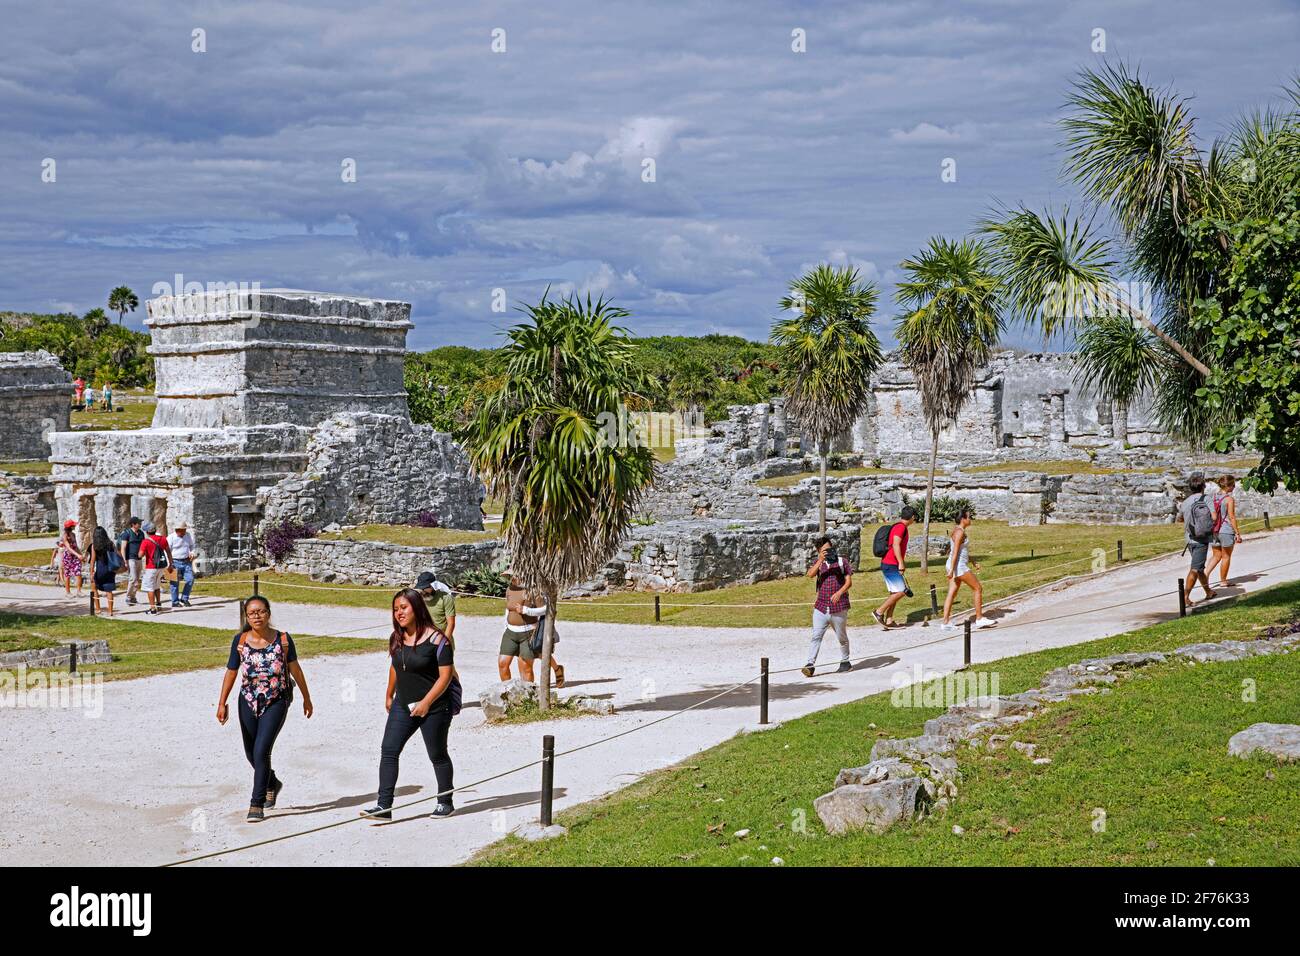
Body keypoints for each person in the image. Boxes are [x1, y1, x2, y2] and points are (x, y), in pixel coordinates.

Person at [362, 588, 460, 821]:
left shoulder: (439, 640)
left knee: (437, 754)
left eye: (403, 607)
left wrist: (427, 702)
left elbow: (446, 676)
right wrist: (389, 694)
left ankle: (445, 802)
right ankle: (384, 807)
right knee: (389, 750)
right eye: (395, 609)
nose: (399, 613)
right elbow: (397, 666)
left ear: (416, 607)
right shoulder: (396, 638)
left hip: (435, 705)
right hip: (403, 704)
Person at [216, 596, 313, 823]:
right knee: (251, 752)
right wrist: (222, 702)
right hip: (247, 700)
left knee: (261, 751)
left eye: (260, 612)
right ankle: (271, 782)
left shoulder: (283, 640)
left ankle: (256, 803)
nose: (256, 616)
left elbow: (295, 670)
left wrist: (307, 698)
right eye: (252, 613)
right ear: (246, 617)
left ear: (268, 613)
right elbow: (231, 671)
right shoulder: (239, 641)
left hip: (275, 700)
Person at [801, 535, 853, 678]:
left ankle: (845, 661)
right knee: (816, 636)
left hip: (839, 607)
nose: (828, 552)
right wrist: (820, 560)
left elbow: (849, 582)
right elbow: (810, 575)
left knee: (841, 636)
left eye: (829, 549)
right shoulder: (819, 564)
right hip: (821, 607)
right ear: (819, 551)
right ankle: (810, 665)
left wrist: (839, 592)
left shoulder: (843, 562)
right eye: (824, 550)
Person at [941, 509, 996, 630]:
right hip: (958, 566)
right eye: (968, 517)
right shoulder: (959, 532)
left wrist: (973, 561)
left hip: (954, 565)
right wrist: (951, 571)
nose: (970, 519)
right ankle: (979, 618)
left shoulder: (957, 531)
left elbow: (961, 551)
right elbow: (955, 552)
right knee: (977, 588)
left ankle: (945, 622)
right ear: (963, 519)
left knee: (952, 593)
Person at [874, 506, 918, 629]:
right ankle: (879, 612)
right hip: (891, 563)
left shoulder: (899, 526)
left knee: (894, 592)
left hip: (889, 563)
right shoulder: (901, 528)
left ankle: (889, 620)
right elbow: (896, 545)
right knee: (901, 591)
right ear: (912, 517)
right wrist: (901, 562)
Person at [1178, 475, 1218, 606]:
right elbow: (1214, 516)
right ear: (1203, 486)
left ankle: (1208, 591)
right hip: (1202, 539)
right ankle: (1185, 597)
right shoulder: (1207, 499)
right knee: (1195, 568)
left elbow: (1180, 519)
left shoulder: (1185, 502)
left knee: (1199, 567)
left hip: (1189, 539)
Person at [500, 576, 547, 682]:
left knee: (525, 667)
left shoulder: (533, 590)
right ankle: (508, 694)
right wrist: (505, 625)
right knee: (502, 664)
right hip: (510, 632)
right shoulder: (510, 589)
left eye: (513, 576)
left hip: (528, 632)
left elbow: (545, 609)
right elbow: (508, 609)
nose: (511, 578)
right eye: (509, 576)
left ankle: (528, 696)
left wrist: (526, 610)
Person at [1205, 474, 1244, 586]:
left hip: (1213, 531)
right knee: (1226, 556)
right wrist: (1237, 533)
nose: (1234, 487)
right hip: (1226, 530)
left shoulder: (1212, 497)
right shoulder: (1229, 499)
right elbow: (1231, 517)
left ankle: (1205, 575)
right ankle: (1223, 581)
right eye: (1233, 485)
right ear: (1229, 486)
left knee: (1216, 555)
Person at [526, 586, 565, 688]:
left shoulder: (542, 590)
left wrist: (526, 610)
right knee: (531, 655)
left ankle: (557, 669)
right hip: (525, 627)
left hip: (539, 627)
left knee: (541, 653)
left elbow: (547, 609)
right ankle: (529, 684)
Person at [138, 521, 172, 615]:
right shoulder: (163, 539)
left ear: (147, 532)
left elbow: (140, 555)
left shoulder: (146, 541)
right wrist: (171, 563)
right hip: (161, 566)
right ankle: (159, 604)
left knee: (150, 588)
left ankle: (153, 608)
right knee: (157, 585)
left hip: (151, 567)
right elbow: (168, 551)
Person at [86, 525, 120, 616]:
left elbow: (92, 560)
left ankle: (98, 609)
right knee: (109, 590)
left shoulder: (94, 546)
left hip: (100, 568)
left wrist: (91, 573)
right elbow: (116, 554)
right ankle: (110, 611)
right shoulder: (111, 544)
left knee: (94, 588)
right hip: (110, 569)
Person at [414, 571, 456, 639]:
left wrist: (444, 643)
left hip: (442, 639)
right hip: (424, 640)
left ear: (433, 585)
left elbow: (451, 623)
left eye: (426, 587)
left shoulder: (446, 598)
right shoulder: (418, 598)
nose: (423, 590)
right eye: (421, 588)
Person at [116, 516, 145, 605]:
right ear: (133, 524)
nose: (140, 524)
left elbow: (143, 545)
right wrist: (124, 560)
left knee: (137, 578)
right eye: (138, 523)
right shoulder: (127, 533)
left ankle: (133, 596)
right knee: (133, 578)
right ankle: (128, 596)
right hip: (130, 558)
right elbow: (123, 548)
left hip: (139, 558)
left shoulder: (141, 533)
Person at [167, 520, 197, 607]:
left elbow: (192, 546)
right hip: (174, 561)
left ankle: (184, 598)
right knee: (174, 583)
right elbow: (167, 550)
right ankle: (175, 601)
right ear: (178, 530)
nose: (184, 532)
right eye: (183, 530)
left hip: (186, 561)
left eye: (185, 530)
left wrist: (192, 552)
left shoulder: (187, 535)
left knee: (190, 579)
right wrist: (169, 563)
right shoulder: (171, 537)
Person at [56, 519, 84, 598]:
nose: (75, 526)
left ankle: (79, 591)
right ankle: (68, 592)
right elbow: (68, 548)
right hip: (67, 556)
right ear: (71, 526)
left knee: (78, 572)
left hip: (75, 556)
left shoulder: (73, 534)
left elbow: (75, 546)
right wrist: (78, 555)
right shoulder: (65, 536)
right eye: (73, 525)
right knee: (67, 574)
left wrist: (80, 554)